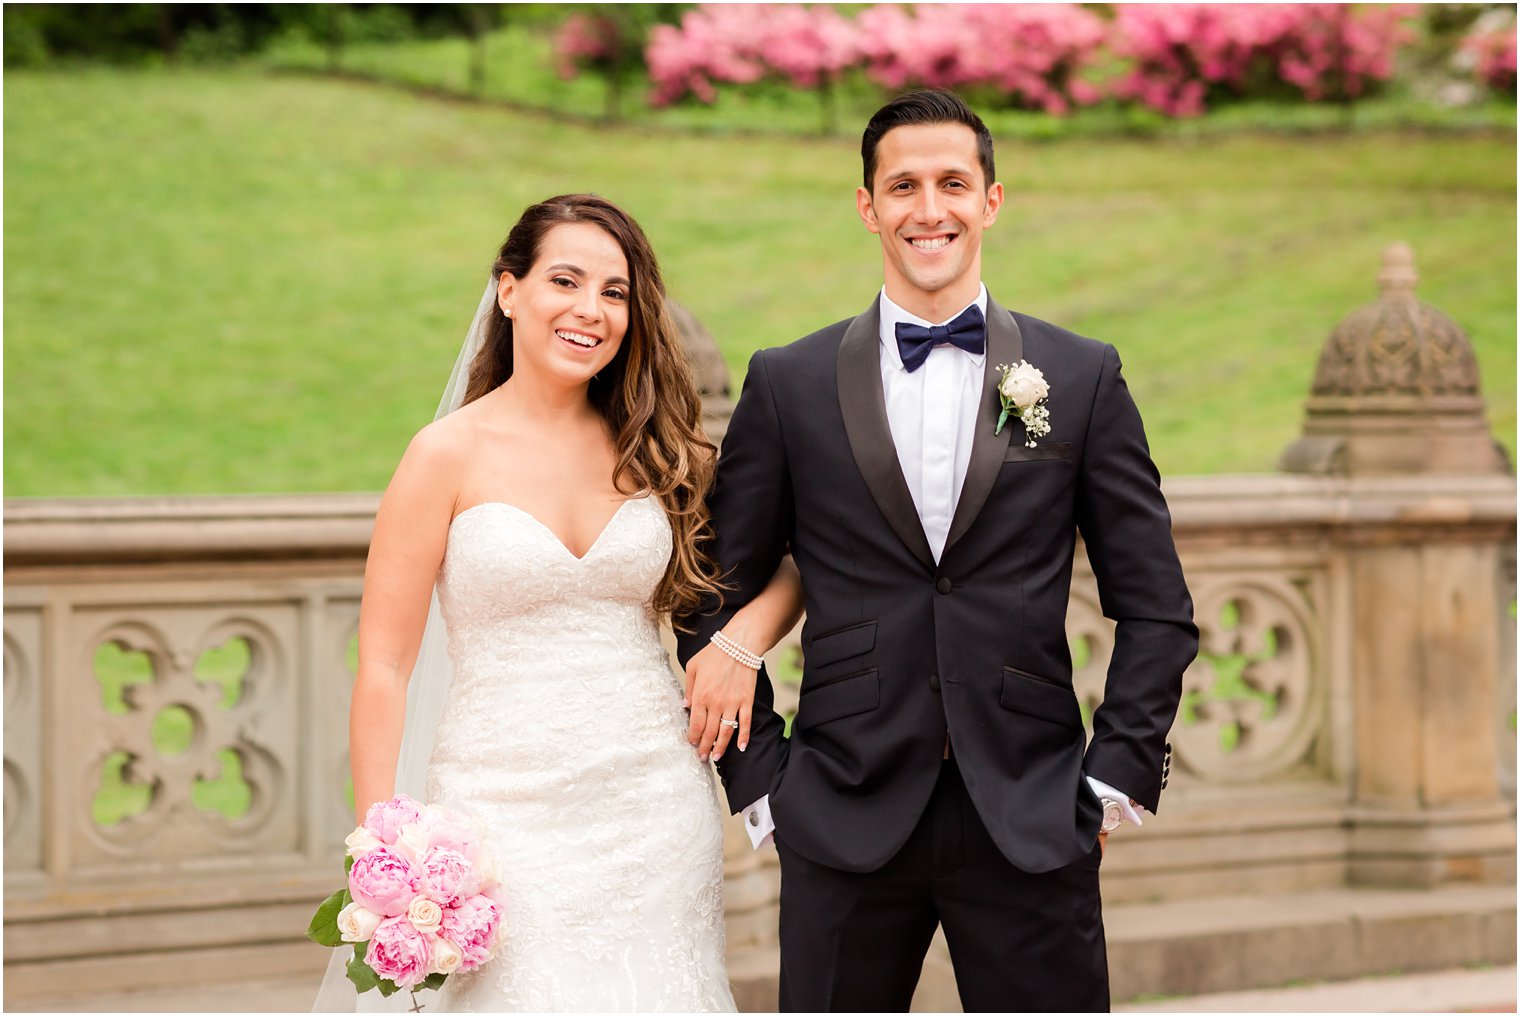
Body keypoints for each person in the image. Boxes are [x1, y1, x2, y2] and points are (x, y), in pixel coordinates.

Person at [678, 90, 1198, 1012]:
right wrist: (764, 789)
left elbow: (1155, 605)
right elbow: (709, 584)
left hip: (1034, 812)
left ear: (991, 200)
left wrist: (1114, 779)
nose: (930, 209)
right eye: (904, 185)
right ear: (867, 206)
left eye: (953, 183)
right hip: (840, 809)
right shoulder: (789, 383)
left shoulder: (1080, 376)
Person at [333, 194, 802, 1013]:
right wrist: (389, 848)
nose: (592, 309)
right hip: (498, 813)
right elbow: (383, 664)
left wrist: (741, 645)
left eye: (615, 293)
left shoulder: (661, 447)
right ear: (508, 290)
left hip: (655, 804)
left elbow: (803, 559)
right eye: (566, 281)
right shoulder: (443, 455)